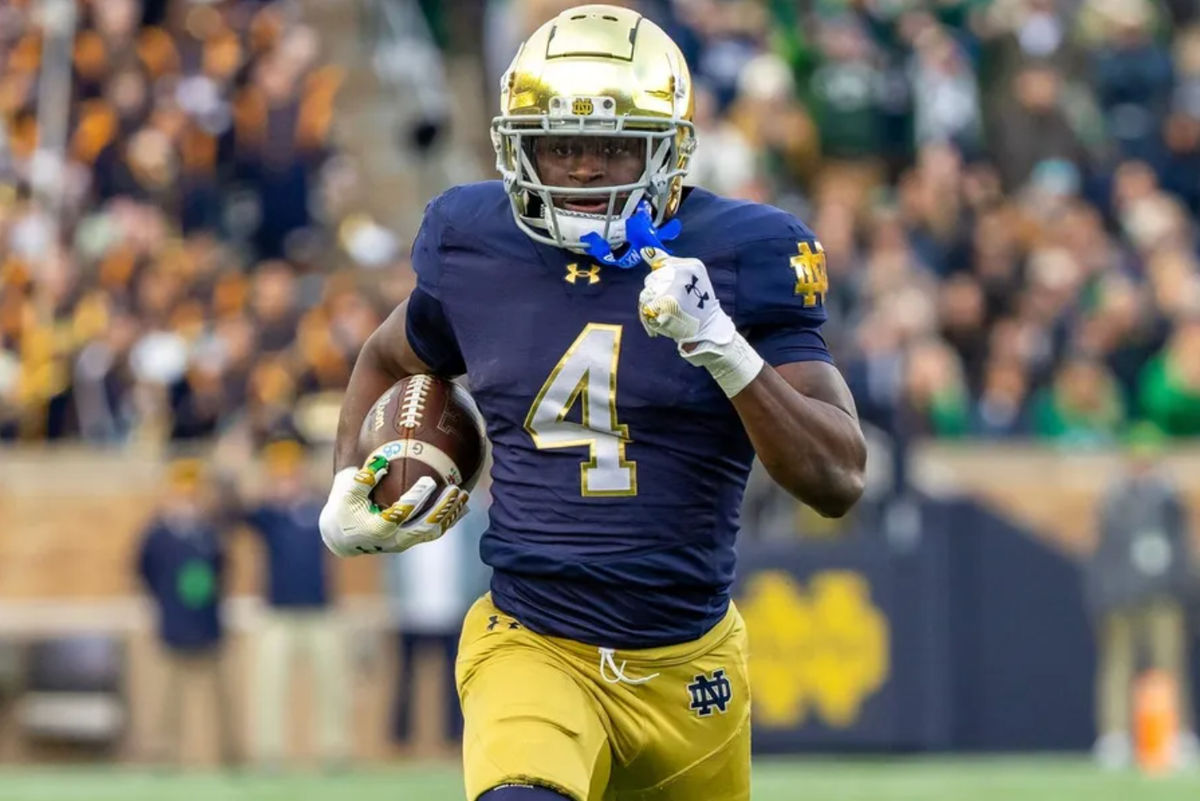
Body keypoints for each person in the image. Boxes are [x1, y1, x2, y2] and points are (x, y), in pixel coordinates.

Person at [319, 6, 866, 800]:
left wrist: (722, 344)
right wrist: (346, 488)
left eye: (611, 145)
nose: (578, 168)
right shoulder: (476, 240)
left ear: (668, 149)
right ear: (517, 145)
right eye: (558, 143)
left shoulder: (747, 254)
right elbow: (385, 355)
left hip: (690, 668)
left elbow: (838, 477)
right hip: (532, 641)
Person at [1087, 423, 1198, 770]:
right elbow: (1104, 552)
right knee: (1117, 666)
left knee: (1170, 665)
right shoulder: (1114, 497)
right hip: (1121, 595)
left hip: (1163, 593)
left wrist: (1186, 590)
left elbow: (1181, 549)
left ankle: (1179, 734)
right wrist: (1103, 595)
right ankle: (1115, 736)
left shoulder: (1167, 498)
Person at [243, 439, 349, 771]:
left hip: (320, 612)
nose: (287, 481)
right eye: (280, 476)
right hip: (278, 614)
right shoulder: (268, 515)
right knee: (269, 687)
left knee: (332, 684)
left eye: (291, 474)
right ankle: (268, 752)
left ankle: (335, 749)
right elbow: (234, 512)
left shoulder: (322, 509)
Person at [135, 456, 237, 768]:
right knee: (167, 696)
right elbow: (144, 571)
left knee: (217, 696)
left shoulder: (210, 531)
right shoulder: (157, 533)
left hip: (207, 624)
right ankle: (162, 754)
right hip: (172, 624)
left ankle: (226, 754)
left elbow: (223, 570)